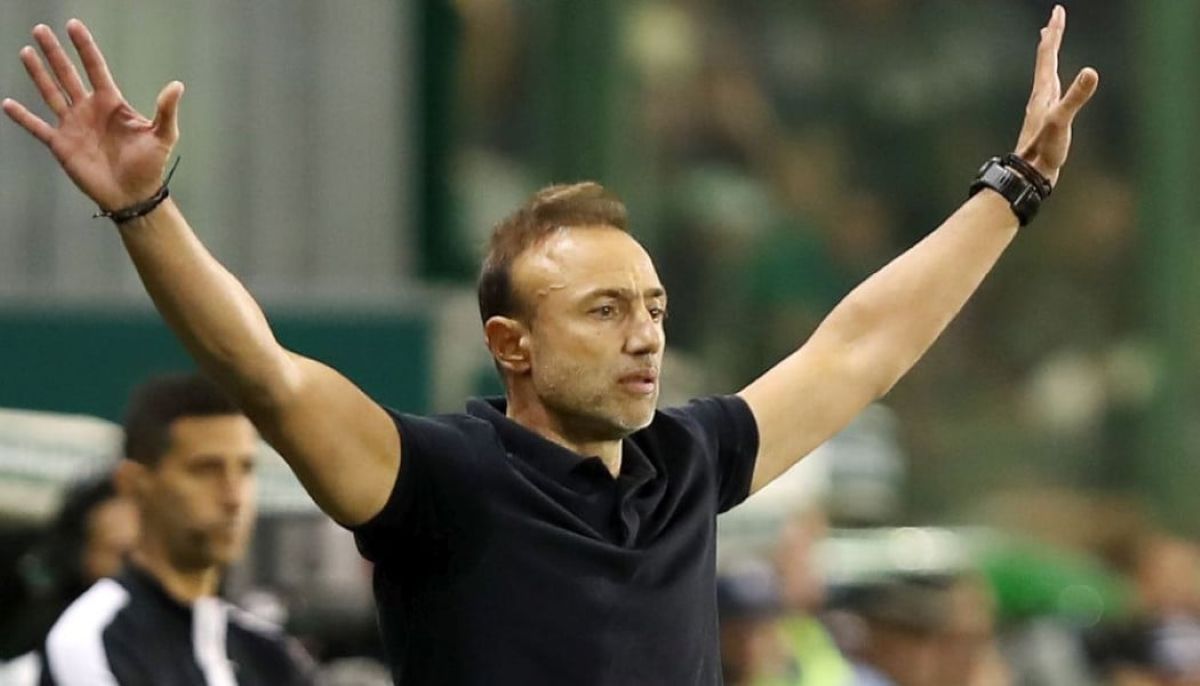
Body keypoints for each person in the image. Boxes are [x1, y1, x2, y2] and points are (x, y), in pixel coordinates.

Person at [2, 7, 1098, 684]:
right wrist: (145, 209)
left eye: (654, 306)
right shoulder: (442, 481)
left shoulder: (688, 460)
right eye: (605, 310)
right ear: (510, 344)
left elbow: (860, 346)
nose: (646, 334)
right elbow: (265, 373)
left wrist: (1015, 188)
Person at [35, 374, 313, 685]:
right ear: (134, 483)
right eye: (206, 469)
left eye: (246, 468)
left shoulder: (270, 652)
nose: (234, 497)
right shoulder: (92, 640)